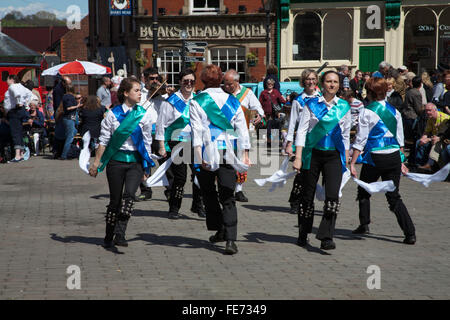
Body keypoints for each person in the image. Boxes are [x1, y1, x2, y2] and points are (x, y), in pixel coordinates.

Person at [190, 64, 251, 255]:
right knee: (228, 195)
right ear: (221, 79)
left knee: (208, 194)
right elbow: (242, 130)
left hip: (207, 153)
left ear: (203, 80)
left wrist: (199, 158)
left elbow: (196, 132)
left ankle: (220, 229)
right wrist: (245, 155)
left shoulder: (196, 101)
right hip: (228, 153)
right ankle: (229, 238)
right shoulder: (232, 101)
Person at [89, 77, 154, 248]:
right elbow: (103, 141)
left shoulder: (144, 115)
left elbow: (147, 142)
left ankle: (120, 233)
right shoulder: (112, 115)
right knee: (115, 201)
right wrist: (96, 163)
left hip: (135, 163)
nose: (140, 93)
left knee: (129, 197)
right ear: (126, 93)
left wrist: (147, 165)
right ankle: (109, 234)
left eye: (140, 90)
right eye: (136, 90)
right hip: (116, 163)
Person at [350, 77, 416, 245]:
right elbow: (400, 139)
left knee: (364, 190)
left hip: (375, 157)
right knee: (394, 197)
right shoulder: (395, 111)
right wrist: (401, 160)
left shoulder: (367, 112)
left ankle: (364, 224)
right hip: (393, 156)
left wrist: (352, 162)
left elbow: (360, 140)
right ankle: (410, 233)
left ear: (370, 93)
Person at [293, 70, 351, 250]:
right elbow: (302, 131)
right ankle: (303, 232)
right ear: (322, 83)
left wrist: (347, 157)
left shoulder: (344, 107)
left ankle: (327, 236)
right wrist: (298, 157)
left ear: (339, 85)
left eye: (335, 82)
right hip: (313, 154)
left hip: (333, 156)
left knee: (332, 196)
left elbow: (346, 134)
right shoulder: (310, 104)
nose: (332, 84)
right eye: (329, 81)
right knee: (307, 196)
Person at [155, 69, 206, 219]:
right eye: (185, 81)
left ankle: (198, 205)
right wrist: (161, 146)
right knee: (181, 177)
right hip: (177, 142)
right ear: (179, 82)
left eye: (191, 81)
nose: (189, 84)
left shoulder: (198, 100)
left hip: (196, 142)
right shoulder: (170, 101)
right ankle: (174, 207)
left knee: (199, 174)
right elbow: (160, 125)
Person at [223, 69, 265, 203]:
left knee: (242, 161)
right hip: (225, 133)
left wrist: (258, 115)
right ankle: (225, 188)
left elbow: (258, 108)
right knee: (225, 161)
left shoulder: (247, 93)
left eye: (230, 84)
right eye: (225, 84)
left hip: (242, 133)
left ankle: (239, 190)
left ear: (237, 81)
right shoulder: (221, 93)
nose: (227, 87)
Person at [285, 69, 321, 215]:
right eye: (308, 79)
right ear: (303, 82)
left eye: (313, 79)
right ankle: (295, 200)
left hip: (319, 140)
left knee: (315, 172)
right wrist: (288, 143)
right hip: (303, 141)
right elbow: (292, 123)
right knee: (301, 173)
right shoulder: (298, 100)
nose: (311, 82)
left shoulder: (321, 97)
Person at [4, 75, 32, 163]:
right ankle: (21, 154)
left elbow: (17, 94)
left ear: (11, 80)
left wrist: (19, 103)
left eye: (7, 79)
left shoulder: (12, 86)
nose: (6, 81)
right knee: (19, 132)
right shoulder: (21, 86)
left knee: (15, 132)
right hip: (19, 110)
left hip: (14, 111)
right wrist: (26, 105)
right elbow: (29, 94)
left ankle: (17, 156)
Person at [415, 103, 449, 171]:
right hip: (435, 137)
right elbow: (426, 131)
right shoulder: (430, 118)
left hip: (443, 139)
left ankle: (430, 165)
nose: (427, 112)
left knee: (435, 143)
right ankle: (419, 165)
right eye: (426, 110)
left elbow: (442, 135)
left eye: (429, 110)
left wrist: (429, 139)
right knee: (419, 142)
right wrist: (423, 138)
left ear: (435, 110)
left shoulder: (444, 119)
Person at [402, 75, 424, 166]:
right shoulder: (416, 93)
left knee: (410, 139)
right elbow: (418, 108)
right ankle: (413, 159)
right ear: (420, 84)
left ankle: (411, 158)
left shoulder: (409, 91)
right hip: (412, 116)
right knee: (414, 138)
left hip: (406, 115)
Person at [259, 78, 286, 148]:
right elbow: (259, 104)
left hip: (276, 114)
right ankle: (268, 142)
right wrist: (261, 113)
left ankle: (275, 143)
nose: (270, 85)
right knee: (267, 129)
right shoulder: (263, 93)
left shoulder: (276, 92)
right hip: (267, 115)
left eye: (271, 84)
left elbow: (283, 101)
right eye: (268, 84)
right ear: (266, 84)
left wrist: (289, 101)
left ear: (273, 84)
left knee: (275, 129)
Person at [60, 85, 81, 160]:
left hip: (70, 120)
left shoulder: (66, 96)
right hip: (69, 119)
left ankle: (69, 151)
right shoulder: (69, 97)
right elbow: (68, 108)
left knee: (73, 133)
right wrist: (77, 106)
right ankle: (64, 155)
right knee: (69, 138)